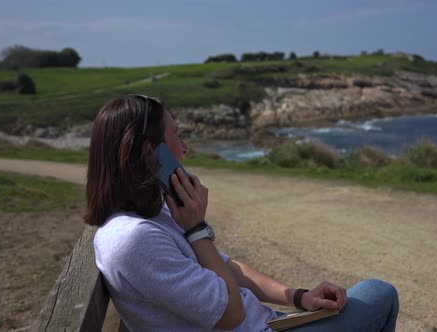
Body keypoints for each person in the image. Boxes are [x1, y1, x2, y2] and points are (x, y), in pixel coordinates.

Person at [85, 94, 399, 331]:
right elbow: (231, 313)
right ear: (149, 153)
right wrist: (197, 229)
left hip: (270, 323)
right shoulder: (134, 240)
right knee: (381, 292)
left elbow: (230, 270)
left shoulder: (154, 214)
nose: (185, 148)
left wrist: (300, 297)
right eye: (177, 136)